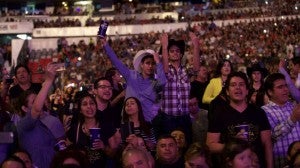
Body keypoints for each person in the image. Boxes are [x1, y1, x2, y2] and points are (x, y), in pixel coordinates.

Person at [206, 72, 273, 168]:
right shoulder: (219, 114)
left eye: (241, 85)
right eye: (233, 85)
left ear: (246, 90)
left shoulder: (259, 112)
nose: (238, 88)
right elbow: (210, 145)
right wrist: (232, 145)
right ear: (227, 91)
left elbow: (267, 144)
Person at [100, 38, 166, 122]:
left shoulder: (155, 82)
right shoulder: (131, 75)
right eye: (147, 63)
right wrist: (106, 45)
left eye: (153, 64)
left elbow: (163, 83)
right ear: (141, 65)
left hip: (149, 123)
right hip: (129, 123)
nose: (150, 66)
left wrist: (158, 62)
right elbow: (116, 62)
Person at [15, 63, 66, 168]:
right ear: (24, 108)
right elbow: (36, 110)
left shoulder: (46, 121)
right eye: (34, 101)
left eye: (39, 99)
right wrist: (48, 81)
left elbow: (59, 145)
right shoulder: (23, 124)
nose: (40, 103)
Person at [153, 32, 200, 144]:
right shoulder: (164, 69)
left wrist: (196, 46)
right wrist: (164, 47)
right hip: (168, 117)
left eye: (177, 51)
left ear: (181, 54)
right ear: (168, 54)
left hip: (184, 116)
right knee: (169, 148)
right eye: (172, 51)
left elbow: (196, 68)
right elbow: (164, 71)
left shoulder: (185, 70)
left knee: (186, 147)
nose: (175, 53)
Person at [261, 73, 300, 168]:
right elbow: (272, 136)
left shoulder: (293, 106)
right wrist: (292, 119)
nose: (285, 89)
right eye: (280, 87)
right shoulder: (264, 111)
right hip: (281, 160)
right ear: (270, 92)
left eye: (286, 86)